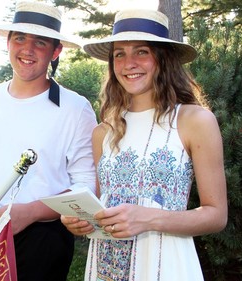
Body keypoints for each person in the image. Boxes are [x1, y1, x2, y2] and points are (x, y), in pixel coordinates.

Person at [61, 9, 228, 281]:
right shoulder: (103, 131)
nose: (128, 63)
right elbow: (102, 208)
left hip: (167, 267)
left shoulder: (195, 120)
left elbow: (216, 215)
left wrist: (148, 219)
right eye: (119, 54)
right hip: (105, 269)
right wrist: (82, 221)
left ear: (163, 58)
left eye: (141, 52)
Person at [0, 1, 97, 280]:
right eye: (19, 38)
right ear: (8, 43)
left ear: (56, 51)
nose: (27, 49)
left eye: (40, 42)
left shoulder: (75, 108)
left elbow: (86, 183)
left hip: (44, 239)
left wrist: (30, 212)